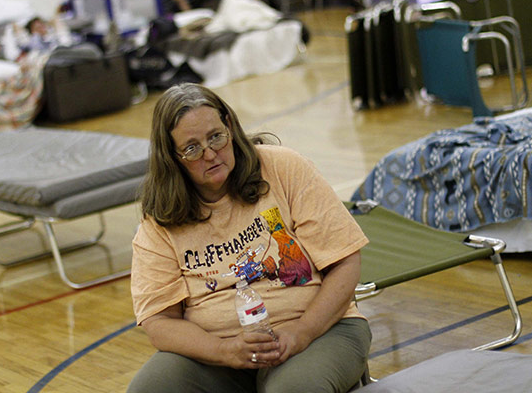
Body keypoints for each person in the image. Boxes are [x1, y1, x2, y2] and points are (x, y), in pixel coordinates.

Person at [127, 83, 371, 393]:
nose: (211, 154)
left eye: (216, 136)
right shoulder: (159, 219)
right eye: (192, 148)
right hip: (219, 353)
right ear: (171, 158)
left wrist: (301, 332)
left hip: (318, 331)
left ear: (229, 125)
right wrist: (223, 351)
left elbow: (346, 262)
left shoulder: (283, 167)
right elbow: (160, 324)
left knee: (291, 390)